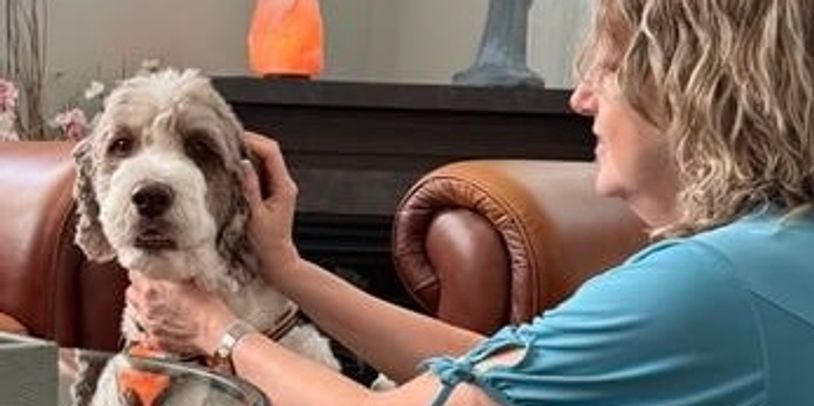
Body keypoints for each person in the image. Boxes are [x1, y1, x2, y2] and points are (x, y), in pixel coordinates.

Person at [127, 0, 814, 404]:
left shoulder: (705, 283)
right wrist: (289, 270)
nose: (580, 99)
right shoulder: (772, 252)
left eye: (604, 69)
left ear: (686, 85)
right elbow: (496, 368)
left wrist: (220, 330)